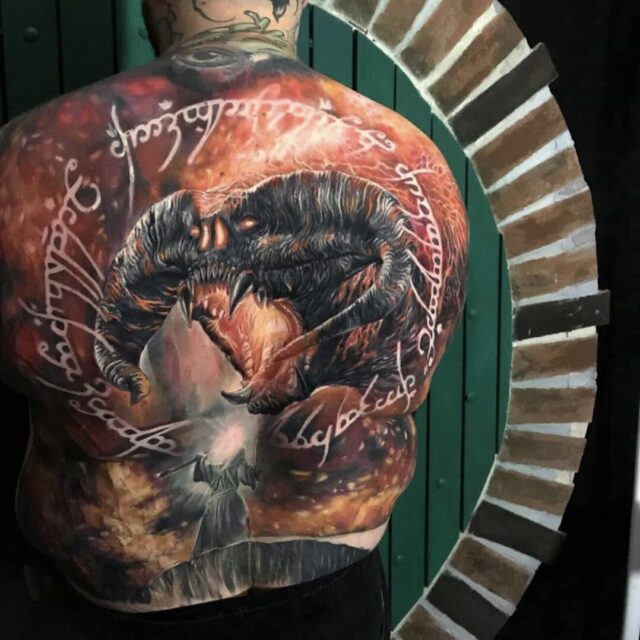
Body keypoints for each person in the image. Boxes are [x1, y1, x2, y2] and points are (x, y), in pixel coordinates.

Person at [0, 0, 468, 638]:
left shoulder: (26, 159)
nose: (211, 330)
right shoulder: (418, 163)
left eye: (213, 310)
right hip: (335, 598)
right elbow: (406, 384)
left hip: (116, 604)